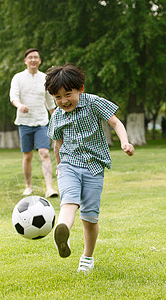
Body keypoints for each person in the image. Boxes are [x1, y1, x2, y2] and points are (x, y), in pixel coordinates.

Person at [45, 63, 134, 273]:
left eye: (68, 94)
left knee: (90, 217)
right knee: (69, 201)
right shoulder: (57, 115)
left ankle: (87, 256)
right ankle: (63, 230)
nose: (64, 101)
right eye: (58, 97)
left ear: (80, 89)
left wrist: (125, 142)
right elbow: (57, 144)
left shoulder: (93, 102)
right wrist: (59, 166)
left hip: (94, 167)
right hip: (69, 164)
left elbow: (115, 122)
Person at [9, 48, 58, 198]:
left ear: (40, 61)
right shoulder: (18, 78)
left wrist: (56, 119)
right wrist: (19, 106)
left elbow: (50, 102)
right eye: (30, 57)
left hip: (41, 122)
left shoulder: (45, 78)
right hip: (24, 122)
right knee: (27, 155)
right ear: (25, 61)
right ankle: (28, 186)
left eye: (36, 57)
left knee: (44, 153)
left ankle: (49, 188)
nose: (33, 60)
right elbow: (13, 96)